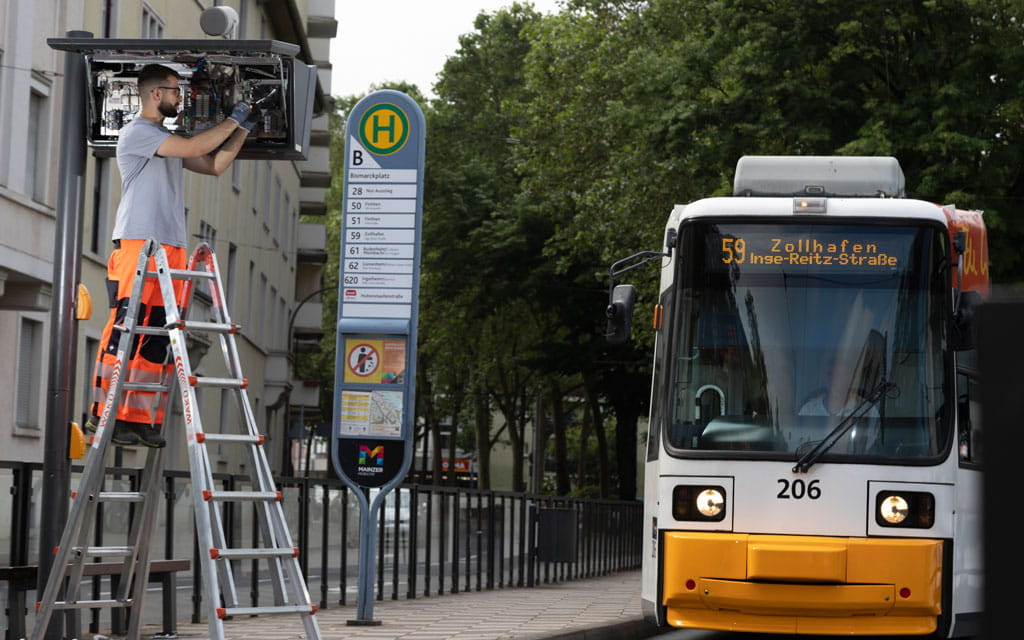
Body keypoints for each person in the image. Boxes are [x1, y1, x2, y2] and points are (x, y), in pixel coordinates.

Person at [88, 64, 256, 447]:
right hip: (139, 242)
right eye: (176, 92)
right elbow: (198, 147)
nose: (180, 98)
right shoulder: (137, 133)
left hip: (171, 246)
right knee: (125, 328)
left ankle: (136, 417)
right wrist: (234, 118)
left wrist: (242, 128)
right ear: (155, 94)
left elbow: (213, 165)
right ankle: (104, 414)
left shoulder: (164, 139)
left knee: (157, 336)